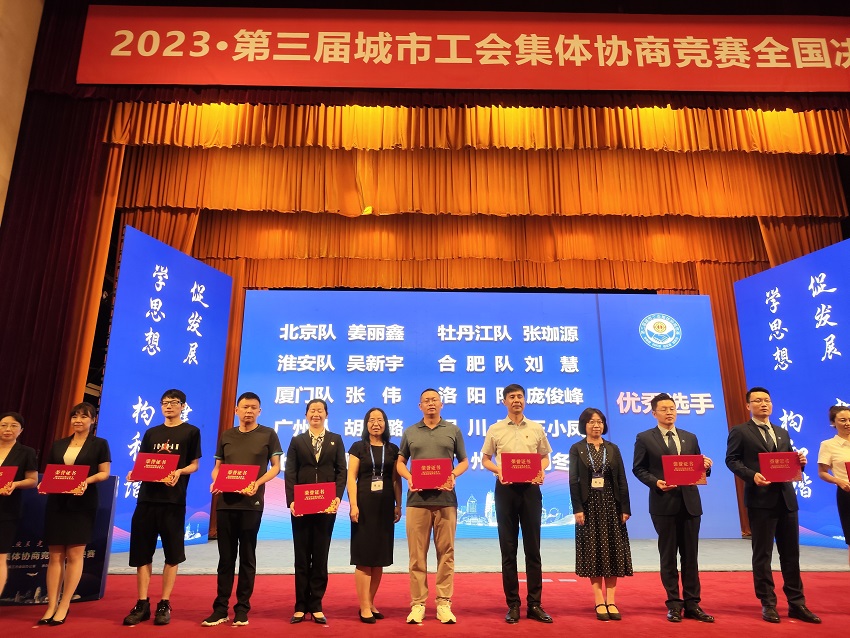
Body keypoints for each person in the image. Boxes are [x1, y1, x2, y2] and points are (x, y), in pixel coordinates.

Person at [725, 386, 821, 624]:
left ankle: (797, 603)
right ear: (748, 406)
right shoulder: (740, 431)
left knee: (791, 554)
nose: (763, 404)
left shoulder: (781, 432)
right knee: (763, 554)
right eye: (757, 400)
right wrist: (752, 476)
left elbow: (787, 463)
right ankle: (768, 603)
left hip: (786, 500)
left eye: (767, 400)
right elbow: (732, 460)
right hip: (760, 501)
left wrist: (799, 462)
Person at [202, 391, 282, 626]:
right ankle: (220, 608)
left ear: (260, 411)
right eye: (245, 407)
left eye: (253, 407)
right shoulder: (227, 435)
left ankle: (242, 608)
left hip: (251, 504)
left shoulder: (268, 434)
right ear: (236, 410)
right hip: (226, 503)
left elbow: (276, 467)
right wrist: (216, 481)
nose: (249, 411)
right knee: (225, 558)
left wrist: (256, 483)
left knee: (247, 556)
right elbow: (217, 467)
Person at [632, 393, 714, 623]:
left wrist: (706, 466)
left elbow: (698, 468)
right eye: (664, 409)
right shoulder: (645, 438)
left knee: (690, 557)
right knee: (668, 556)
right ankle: (674, 604)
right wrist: (655, 482)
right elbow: (639, 469)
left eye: (672, 408)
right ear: (654, 413)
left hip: (690, 504)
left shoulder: (689, 437)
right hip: (663, 503)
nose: (669, 412)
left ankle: (693, 604)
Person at [123, 389, 201, 627]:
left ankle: (164, 603)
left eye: (174, 402)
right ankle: (142, 603)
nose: (168, 406)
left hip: (173, 501)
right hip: (147, 499)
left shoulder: (191, 431)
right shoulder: (151, 433)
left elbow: (194, 465)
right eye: (165, 403)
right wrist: (135, 474)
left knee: (172, 554)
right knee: (142, 553)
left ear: (182, 406)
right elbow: (144, 463)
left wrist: (179, 471)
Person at [481, 384, 553, 624]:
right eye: (511, 397)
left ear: (525, 400)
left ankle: (535, 604)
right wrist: (499, 470)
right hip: (505, 490)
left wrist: (541, 471)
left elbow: (545, 457)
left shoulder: (536, 428)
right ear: (504, 402)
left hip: (531, 491)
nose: (516, 400)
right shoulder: (495, 429)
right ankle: (513, 604)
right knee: (508, 549)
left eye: (520, 396)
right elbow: (485, 459)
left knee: (533, 549)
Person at [395, 388, 468, 625]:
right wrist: (409, 477)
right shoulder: (410, 432)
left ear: (441, 404)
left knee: (446, 554)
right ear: (420, 406)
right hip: (417, 501)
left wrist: (453, 475)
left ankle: (444, 603)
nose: (431, 403)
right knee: (417, 556)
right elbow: (400, 462)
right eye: (426, 401)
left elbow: (464, 461)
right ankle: (418, 604)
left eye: (434, 400)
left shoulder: (453, 430)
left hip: (446, 500)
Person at [38, 402, 111, 626]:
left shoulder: (99, 444)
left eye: (83, 416)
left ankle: (64, 604)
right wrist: (44, 485)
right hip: (57, 504)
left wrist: (85, 481)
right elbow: (51, 473)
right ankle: (51, 604)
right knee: (55, 555)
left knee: (75, 555)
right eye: (75, 416)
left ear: (93, 420)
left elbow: (104, 473)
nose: (78, 420)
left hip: (83, 504)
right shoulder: (59, 444)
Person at [284, 399, 346, 624]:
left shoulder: (335, 439)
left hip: (327, 506)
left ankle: (316, 605)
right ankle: (300, 606)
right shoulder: (297, 441)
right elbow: (290, 472)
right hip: (301, 506)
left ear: (326, 415)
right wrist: (292, 501)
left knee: (320, 556)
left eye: (320, 410)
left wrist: (337, 497)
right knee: (301, 556)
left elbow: (341, 471)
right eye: (312, 410)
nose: (316, 414)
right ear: (306, 415)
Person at [568, 407, 632, 622]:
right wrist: (577, 508)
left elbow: (622, 479)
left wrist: (625, 508)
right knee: (594, 553)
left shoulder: (612, 448)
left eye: (600, 422)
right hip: (589, 507)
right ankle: (598, 599)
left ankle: (611, 600)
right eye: (592, 422)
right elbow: (573, 480)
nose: (596, 425)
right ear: (584, 425)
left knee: (613, 552)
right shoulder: (577, 448)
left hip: (611, 506)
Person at [347, 407, 402, 623]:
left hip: (385, 507)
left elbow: (396, 480)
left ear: (386, 424)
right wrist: (353, 505)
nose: (376, 423)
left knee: (379, 558)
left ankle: (370, 602)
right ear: (366, 423)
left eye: (380, 420)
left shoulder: (393, 449)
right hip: (364, 507)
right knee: (364, 558)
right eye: (372, 420)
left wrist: (398, 505)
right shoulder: (358, 447)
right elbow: (351, 478)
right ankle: (363, 607)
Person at [0, 411, 37, 597]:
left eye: (13, 426)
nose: (8, 429)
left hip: (7, 510)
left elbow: (32, 480)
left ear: (21, 430)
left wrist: (15, 484)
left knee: (0, 556)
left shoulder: (26, 452)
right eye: (3, 425)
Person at [816, 404, 850, 567]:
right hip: (847, 493)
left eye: (849, 419)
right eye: (842, 420)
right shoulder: (828, 445)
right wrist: (839, 481)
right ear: (833, 423)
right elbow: (822, 472)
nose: (847, 423)